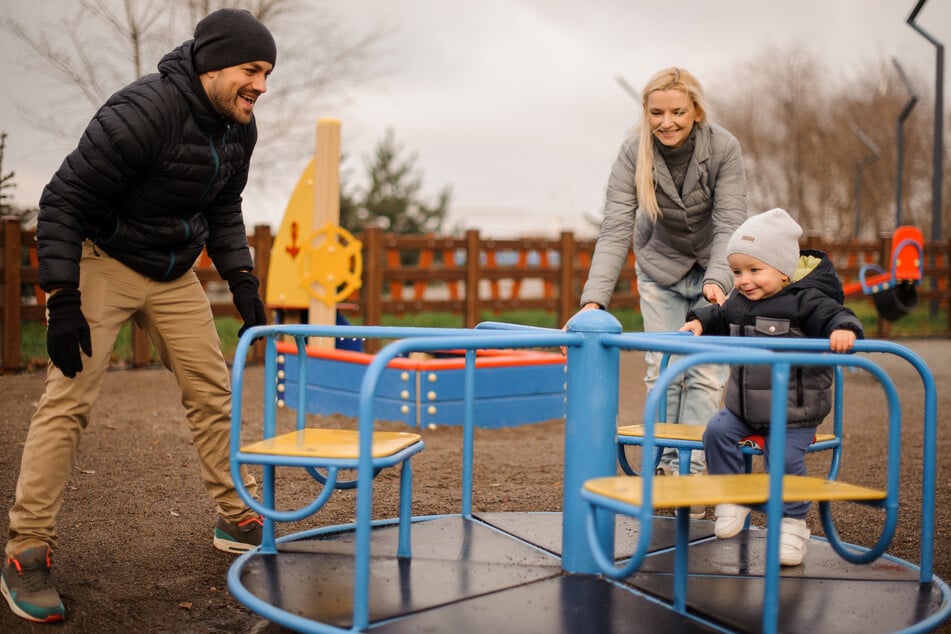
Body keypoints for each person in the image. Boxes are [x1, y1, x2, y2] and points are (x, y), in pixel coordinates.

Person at [2, 8, 275, 623]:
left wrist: (242, 281)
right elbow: (62, 200)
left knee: (212, 389)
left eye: (267, 74)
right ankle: (26, 550)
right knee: (68, 399)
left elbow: (224, 206)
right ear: (212, 65)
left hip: (173, 270)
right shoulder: (143, 111)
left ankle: (235, 516)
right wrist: (62, 297)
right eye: (252, 70)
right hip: (104, 258)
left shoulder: (239, 128)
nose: (261, 85)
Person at [577, 67, 749, 484]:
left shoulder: (723, 148)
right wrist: (594, 301)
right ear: (645, 112)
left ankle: (692, 470)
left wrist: (718, 280)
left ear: (696, 111)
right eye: (656, 113)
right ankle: (666, 467)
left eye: (677, 112)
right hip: (660, 268)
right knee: (663, 369)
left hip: (713, 269)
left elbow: (729, 223)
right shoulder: (633, 152)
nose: (666, 122)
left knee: (705, 372)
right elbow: (615, 227)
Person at [680, 208, 865, 566]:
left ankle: (792, 526)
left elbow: (835, 315)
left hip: (794, 411)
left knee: (783, 458)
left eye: (754, 270)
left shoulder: (805, 300)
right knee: (715, 432)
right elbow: (718, 315)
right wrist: (699, 322)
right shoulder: (738, 302)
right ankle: (732, 497)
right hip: (743, 408)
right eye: (737, 272)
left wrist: (844, 330)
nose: (744, 280)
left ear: (782, 270)